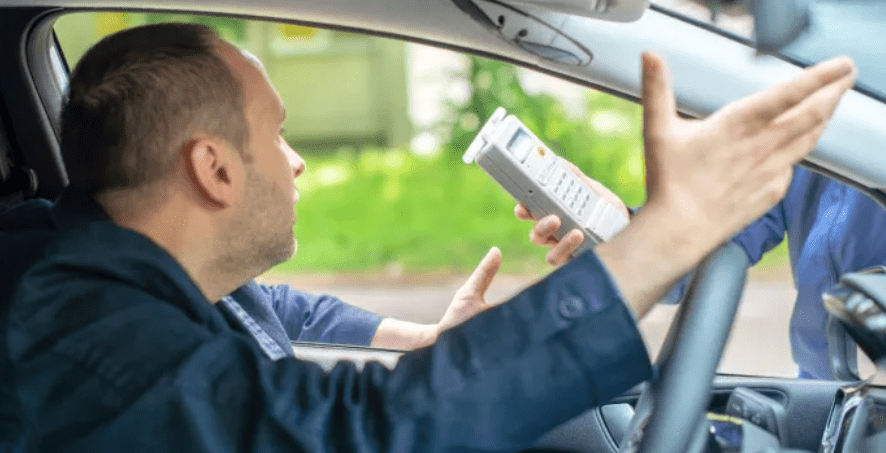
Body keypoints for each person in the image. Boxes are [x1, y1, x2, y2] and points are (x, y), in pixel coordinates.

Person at [2, 22, 856, 451]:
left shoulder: (126, 285)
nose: (295, 163)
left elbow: (289, 342)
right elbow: (361, 430)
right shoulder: (82, 337)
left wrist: (417, 337)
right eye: (277, 135)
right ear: (216, 169)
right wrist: (659, 237)